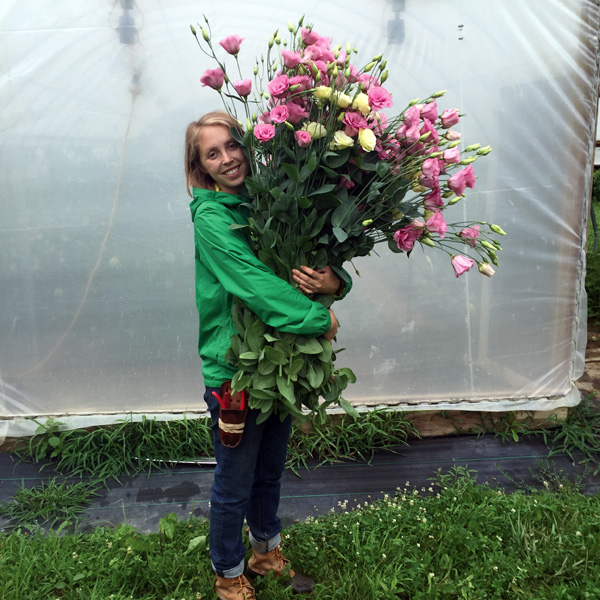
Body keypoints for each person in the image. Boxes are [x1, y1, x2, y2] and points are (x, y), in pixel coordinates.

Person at [185, 110, 345, 600]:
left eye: (233, 145)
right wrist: (319, 319)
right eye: (213, 153)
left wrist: (334, 281)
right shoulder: (212, 218)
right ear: (200, 168)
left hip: (279, 360)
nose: (228, 158)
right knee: (235, 479)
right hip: (235, 369)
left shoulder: (270, 200)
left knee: (270, 468)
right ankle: (228, 574)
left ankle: (266, 550)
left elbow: (311, 256)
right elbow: (253, 285)